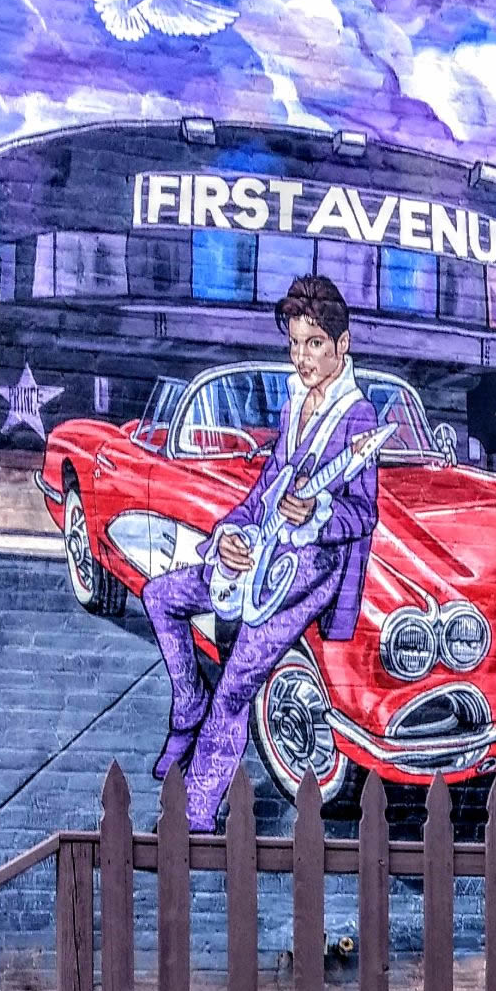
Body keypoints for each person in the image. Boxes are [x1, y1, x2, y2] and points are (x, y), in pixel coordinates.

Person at [142, 274, 380, 831]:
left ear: (342, 345)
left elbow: (363, 514)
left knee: (235, 686)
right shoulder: (295, 403)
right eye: (295, 343)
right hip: (267, 552)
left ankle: (195, 813)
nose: (301, 356)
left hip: (313, 569)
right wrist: (228, 533)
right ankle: (187, 704)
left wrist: (317, 515)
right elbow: (266, 491)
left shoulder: (358, 416)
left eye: (314, 343)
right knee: (161, 596)